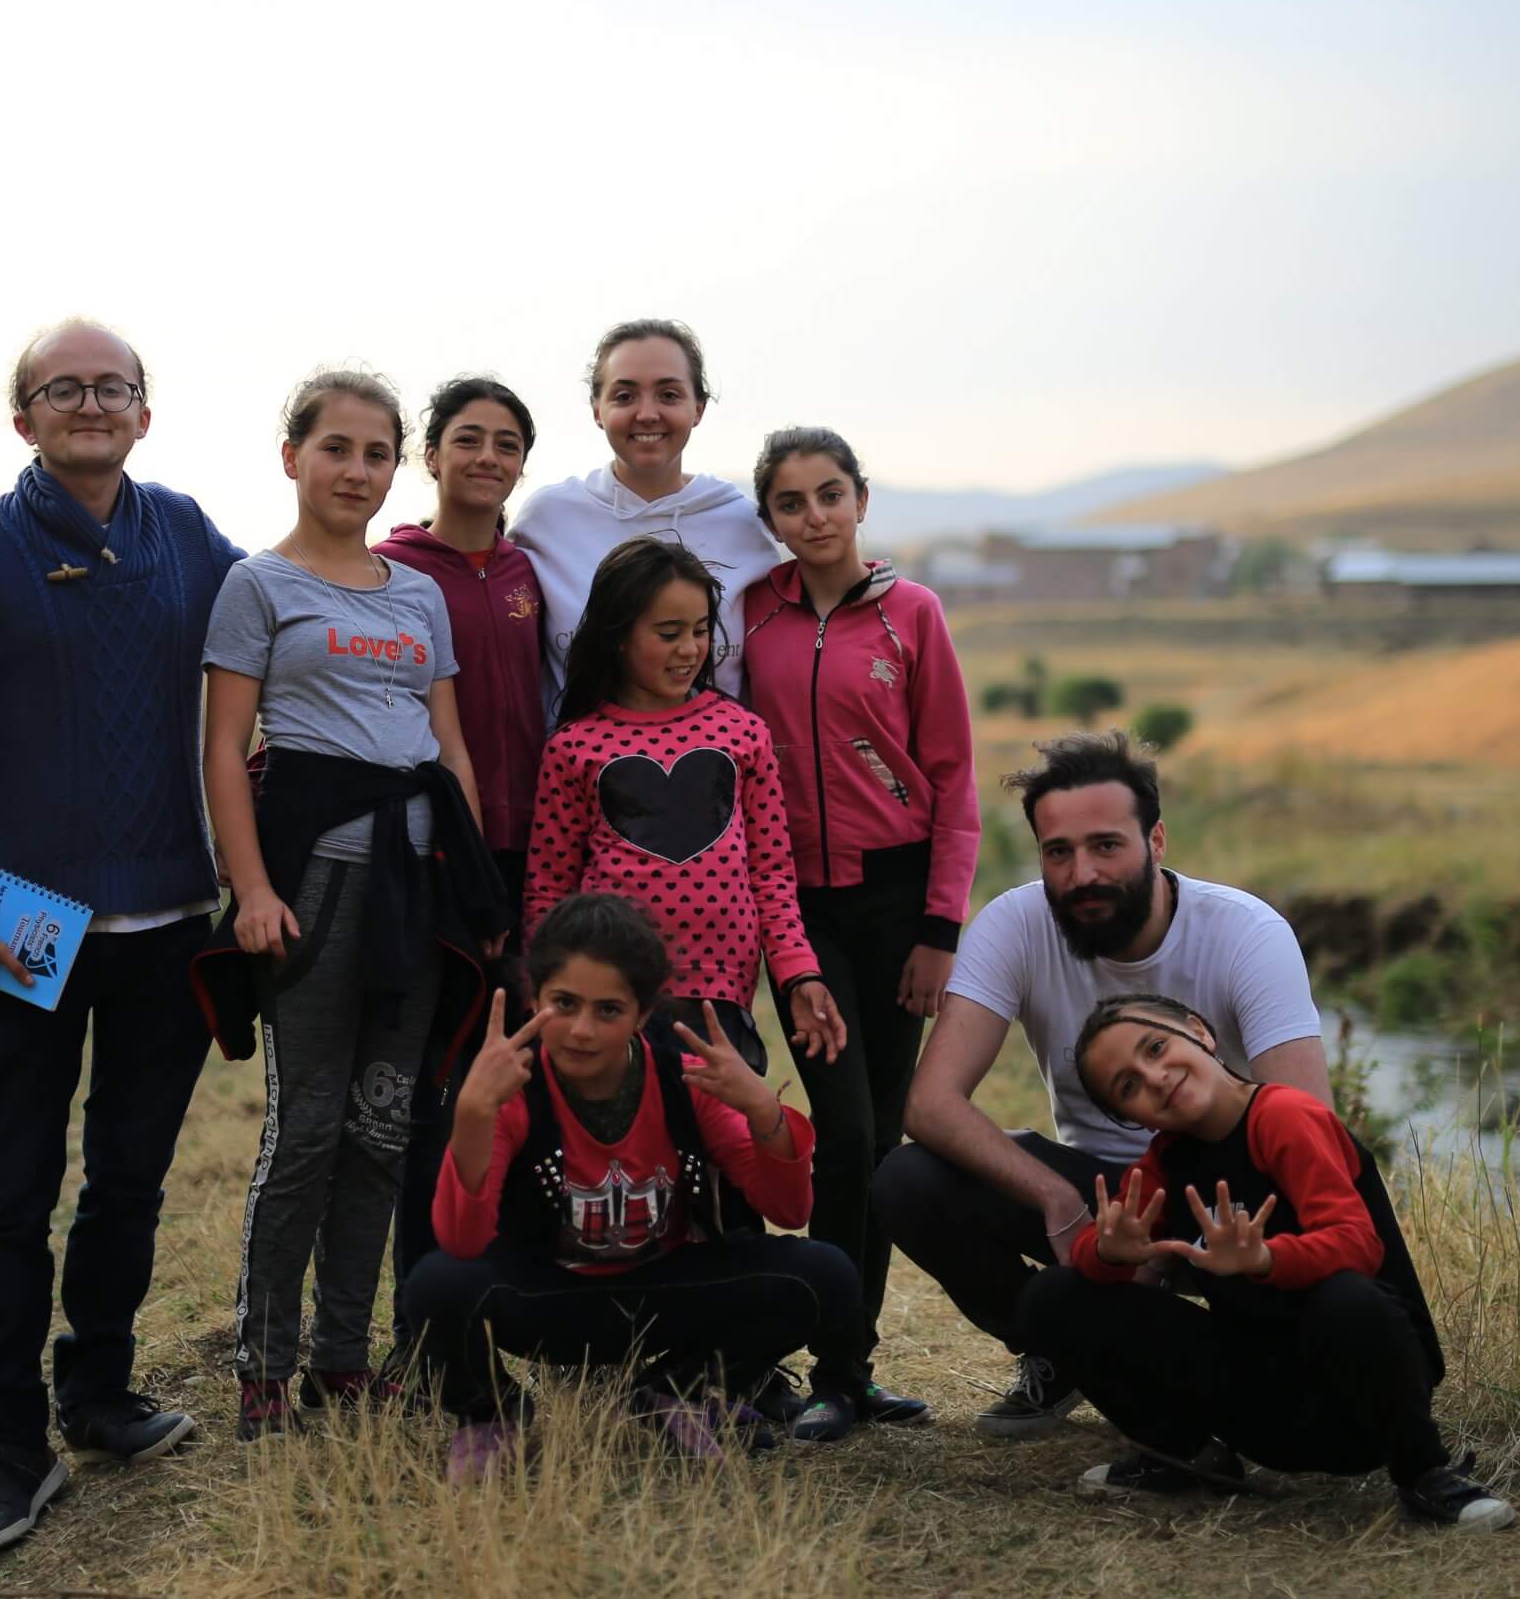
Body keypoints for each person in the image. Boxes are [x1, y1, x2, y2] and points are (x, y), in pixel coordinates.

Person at [0, 320, 242, 1561]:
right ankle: (7, 1449)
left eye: (113, 386)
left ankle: (97, 1395)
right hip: (28, 922)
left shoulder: (190, 535)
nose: (89, 402)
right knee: (10, 1197)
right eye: (62, 388)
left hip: (171, 917)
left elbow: (287, 621)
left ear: (145, 412)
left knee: (130, 1181)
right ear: (23, 417)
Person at [199, 368, 508, 1442]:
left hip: (416, 893)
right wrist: (250, 890)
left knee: (383, 1128)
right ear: (293, 458)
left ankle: (342, 1361)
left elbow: (450, 750)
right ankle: (264, 1370)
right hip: (315, 891)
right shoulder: (257, 586)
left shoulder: (416, 593)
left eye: (377, 453)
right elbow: (225, 754)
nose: (357, 470)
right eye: (337, 448)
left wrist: (472, 890)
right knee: (308, 1129)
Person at [873, 729, 1334, 1439]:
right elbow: (929, 1104)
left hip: (1220, 1190)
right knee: (906, 1179)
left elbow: (1310, 1122)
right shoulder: (1015, 923)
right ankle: (1064, 1354)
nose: (1081, 871)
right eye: (1059, 852)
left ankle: (1217, 1373)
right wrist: (1057, 1199)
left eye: (1105, 846)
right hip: (1097, 1195)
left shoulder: (1245, 931)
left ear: (1156, 841)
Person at [399, 892, 860, 1477]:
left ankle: (673, 1392)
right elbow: (462, 1244)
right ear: (533, 999)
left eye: (608, 1010)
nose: (582, 1031)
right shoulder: (509, 1088)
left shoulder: (685, 1080)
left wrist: (764, 1111)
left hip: (661, 1293)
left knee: (828, 1277)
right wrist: (470, 1115)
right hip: (545, 1298)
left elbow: (790, 1210)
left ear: (643, 1014)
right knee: (433, 1286)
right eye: (563, 1003)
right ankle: (491, 1415)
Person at [1022, 994, 1518, 1530]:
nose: (1155, 1076)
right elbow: (1098, 1251)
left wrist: (1264, 1259)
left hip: (1365, 1395)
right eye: (1129, 1086)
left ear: (1200, 1032)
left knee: (1347, 1300)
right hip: (1263, 1404)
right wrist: (1108, 1252)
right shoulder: (1169, 1158)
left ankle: (1425, 1473)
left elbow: (1357, 1243)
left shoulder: (1283, 1116)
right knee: (1053, 1297)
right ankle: (1187, 1457)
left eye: (1157, 1047)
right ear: (1129, 1117)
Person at [739, 426, 979, 1442]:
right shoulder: (753, 616)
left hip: (897, 907)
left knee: (879, 1144)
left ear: (861, 499)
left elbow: (956, 780)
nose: (814, 516)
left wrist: (940, 929)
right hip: (796, 905)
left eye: (829, 494)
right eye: (791, 503)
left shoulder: (912, 615)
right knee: (840, 1137)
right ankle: (823, 1368)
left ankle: (853, 1371)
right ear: (771, 521)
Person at [524, 536, 848, 1082]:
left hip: (721, 994)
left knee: (716, 1151)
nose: (689, 650)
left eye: (700, 631)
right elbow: (549, 890)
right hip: (611, 994)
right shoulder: (574, 746)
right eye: (668, 633)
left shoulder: (742, 731)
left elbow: (770, 875)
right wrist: (547, 994)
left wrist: (798, 974)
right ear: (618, 636)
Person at [509, 319, 778, 715]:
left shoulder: (741, 522)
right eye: (624, 396)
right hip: (575, 770)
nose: (647, 414)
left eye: (669, 395)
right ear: (597, 409)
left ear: (698, 408)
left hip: (718, 769)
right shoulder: (547, 519)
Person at [374, 376, 546, 931]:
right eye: (469, 440)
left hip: (532, 830)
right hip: (430, 828)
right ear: (431, 455)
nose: (488, 458)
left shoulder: (527, 569)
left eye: (507, 445)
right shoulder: (388, 569)